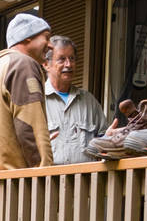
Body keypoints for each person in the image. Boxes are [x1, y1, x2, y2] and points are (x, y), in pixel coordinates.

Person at [0, 13, 54, 171]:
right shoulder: (23, 65)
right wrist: (46, 173)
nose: (50, 45)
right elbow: (29, 125)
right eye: (46, 37)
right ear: (27, 37)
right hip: (19, 185)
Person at [42, 35, 105, 164]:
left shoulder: (88, 101)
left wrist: (109, 138)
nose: (69, 64)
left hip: (86, 181)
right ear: (46, 64)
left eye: (72, 59)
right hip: (48, 181)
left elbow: (104, 139)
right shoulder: (37, 100)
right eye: (61, 59)